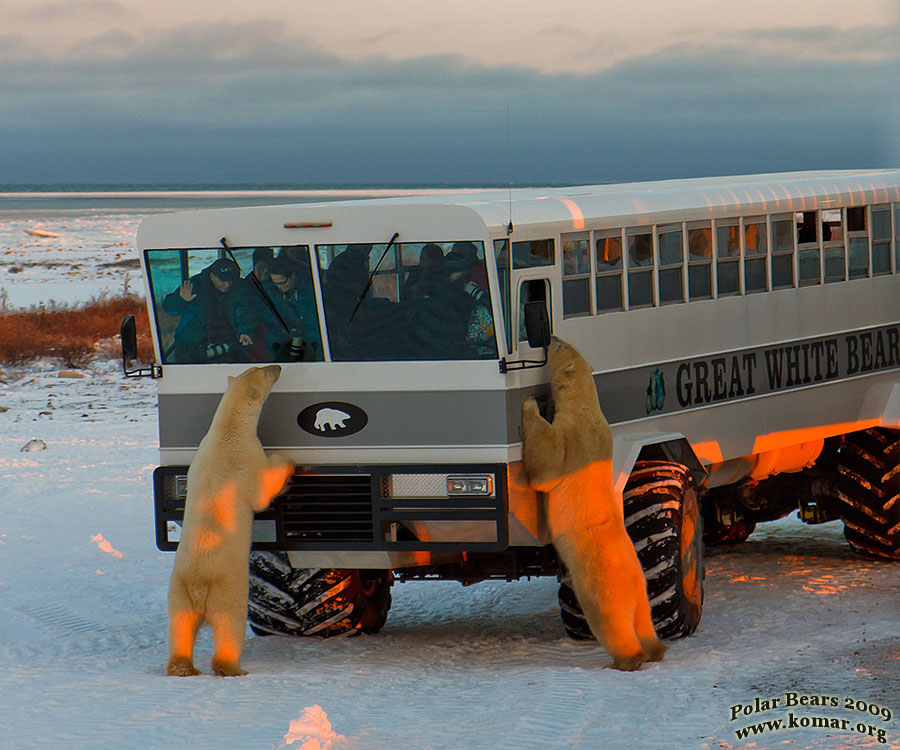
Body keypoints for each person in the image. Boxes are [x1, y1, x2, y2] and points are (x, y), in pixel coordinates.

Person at [162, 258, 244, 363]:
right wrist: (181, 300)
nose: (227, 284)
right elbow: (169, 309)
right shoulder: (193, 286)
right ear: (212, 276)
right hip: (191, 348)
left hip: (228, 346)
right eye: (223, 280)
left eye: (230, 280)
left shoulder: (240, 287)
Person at [252, 256, 322, 361]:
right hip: (282, 342)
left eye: (283, 282)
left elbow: (314, 327)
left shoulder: (311, 292)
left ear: (293, 276)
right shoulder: (267, 293)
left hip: (308, 343)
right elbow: (271, 324)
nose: (280, 287)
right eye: (275, 284)